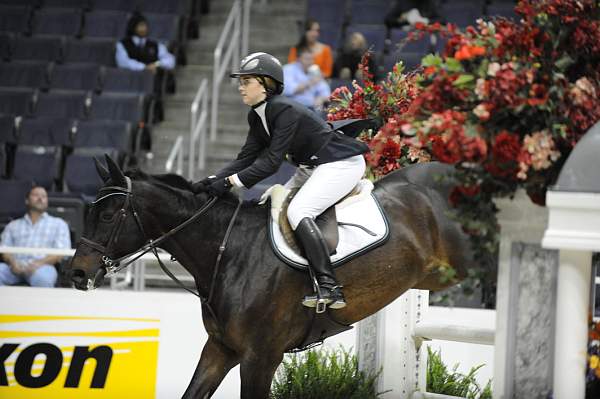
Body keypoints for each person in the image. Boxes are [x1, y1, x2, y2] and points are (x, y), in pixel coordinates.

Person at [192, 52, 369, 310]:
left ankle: (329, 285)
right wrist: (210, 180)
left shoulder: (283, 110)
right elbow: (245, 158)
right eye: (240, 81)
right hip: (312, 167)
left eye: (246, 81)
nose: (240, 86)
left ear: (266, 83)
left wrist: (230, 183)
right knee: (269, 207)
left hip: (340, 164)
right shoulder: (257, 115)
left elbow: (271, 162)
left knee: (299, 211)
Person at [0, 186, 71, 287]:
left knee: (43, 279)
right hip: (14, 267)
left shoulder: (59, 224)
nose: (40, 198)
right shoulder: (13, 225)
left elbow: (62, 252)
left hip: (43, 266)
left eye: (44, 196)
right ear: (27, 200)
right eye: (36, 195)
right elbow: (4, 249)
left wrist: (39, 263)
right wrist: (12, 263)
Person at [283, 46, 331, 112]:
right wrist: (310, 82)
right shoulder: (288, 69)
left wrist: (321, 98)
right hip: (292, 108)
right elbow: (288, 90)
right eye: (307, 59)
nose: (310, 62)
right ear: (298, 59)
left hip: (313, 108)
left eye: (312, 59)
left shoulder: (314, 71)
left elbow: (326, 92)